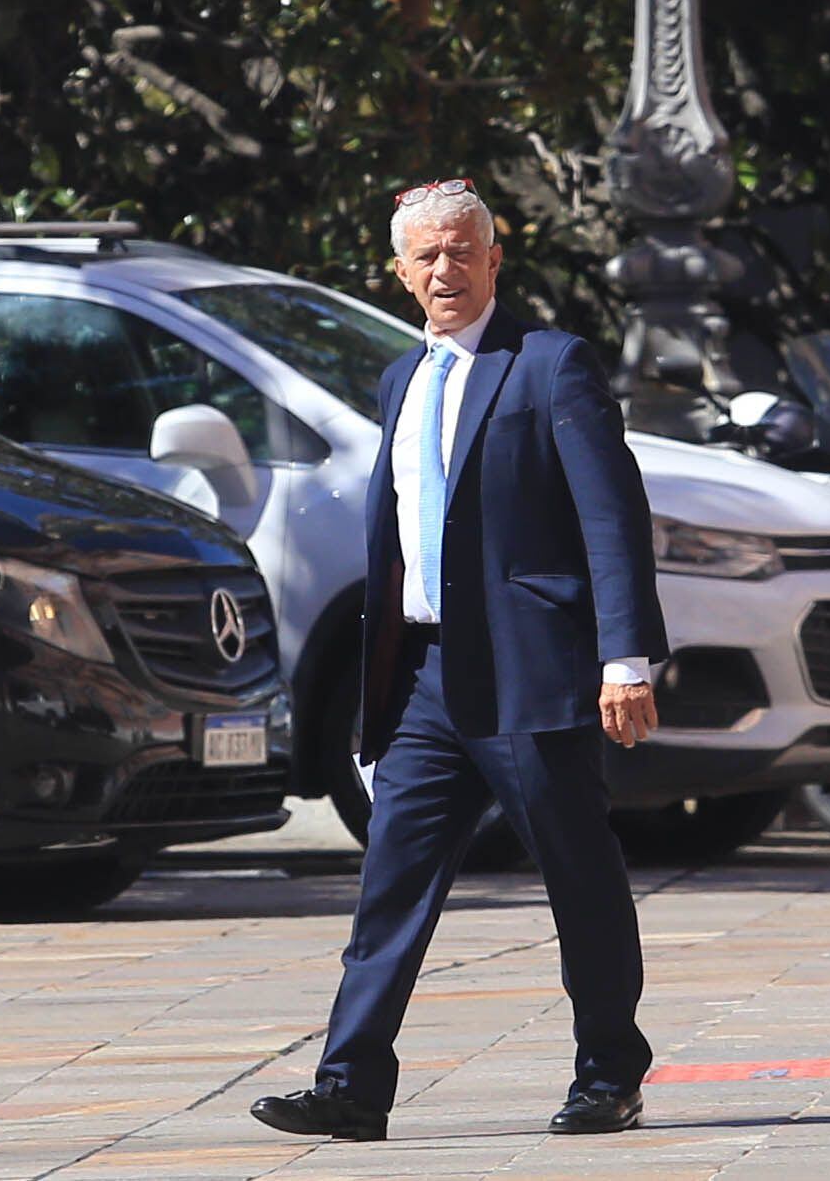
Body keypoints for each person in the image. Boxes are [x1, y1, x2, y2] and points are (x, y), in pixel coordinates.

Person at [249, 178, 667, 1141]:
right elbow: (395, 539)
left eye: (461, 251)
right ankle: (351, 1084)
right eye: (426, 256)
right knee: (389, 885)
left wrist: (626, 658)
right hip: (426, 682)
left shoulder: (550, 367)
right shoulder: (401, 379)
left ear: (493, 259)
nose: (445, 269)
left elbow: (611, 519)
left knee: (579, 877)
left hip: (531, 674)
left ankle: (609, 1073)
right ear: (400, 272)